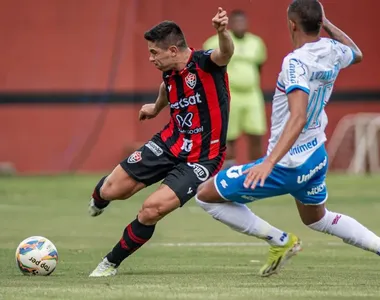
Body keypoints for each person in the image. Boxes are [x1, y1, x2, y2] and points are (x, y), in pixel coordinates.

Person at [195, 0, 379, 278]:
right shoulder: (331, 49)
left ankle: (279, 240)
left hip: (288, 164)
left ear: (292, 25)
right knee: (317, 219)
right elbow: (357, 53)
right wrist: (326, 24)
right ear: (319, 23)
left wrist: (268, 163)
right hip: (316, 154)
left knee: (206, 196)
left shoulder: (295, 62)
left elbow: (298, 116)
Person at [88, 7, 234, 277]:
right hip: (169, 142)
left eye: (154, 52)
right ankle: (98, 200)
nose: (150, 58)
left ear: (174, 51)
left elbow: (225, 53)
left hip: (202, 157)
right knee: (112, 188)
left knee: (151, 209)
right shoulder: (169, 71)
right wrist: (156, 108)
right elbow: (166, 88)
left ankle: (109, 263)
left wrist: (222, 32)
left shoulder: (205, 64)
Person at [203, 9, 267, 168]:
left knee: (256, 134)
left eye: (242, 22)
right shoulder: (215, 41)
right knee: (228, 136)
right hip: (229, 95)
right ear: (230, 24)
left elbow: (259, 66)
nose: (240, 25)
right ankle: (228, 172)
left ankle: (256, 170)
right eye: (236, 22)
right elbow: (207, 67)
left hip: (252, 95)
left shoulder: (256, 43)